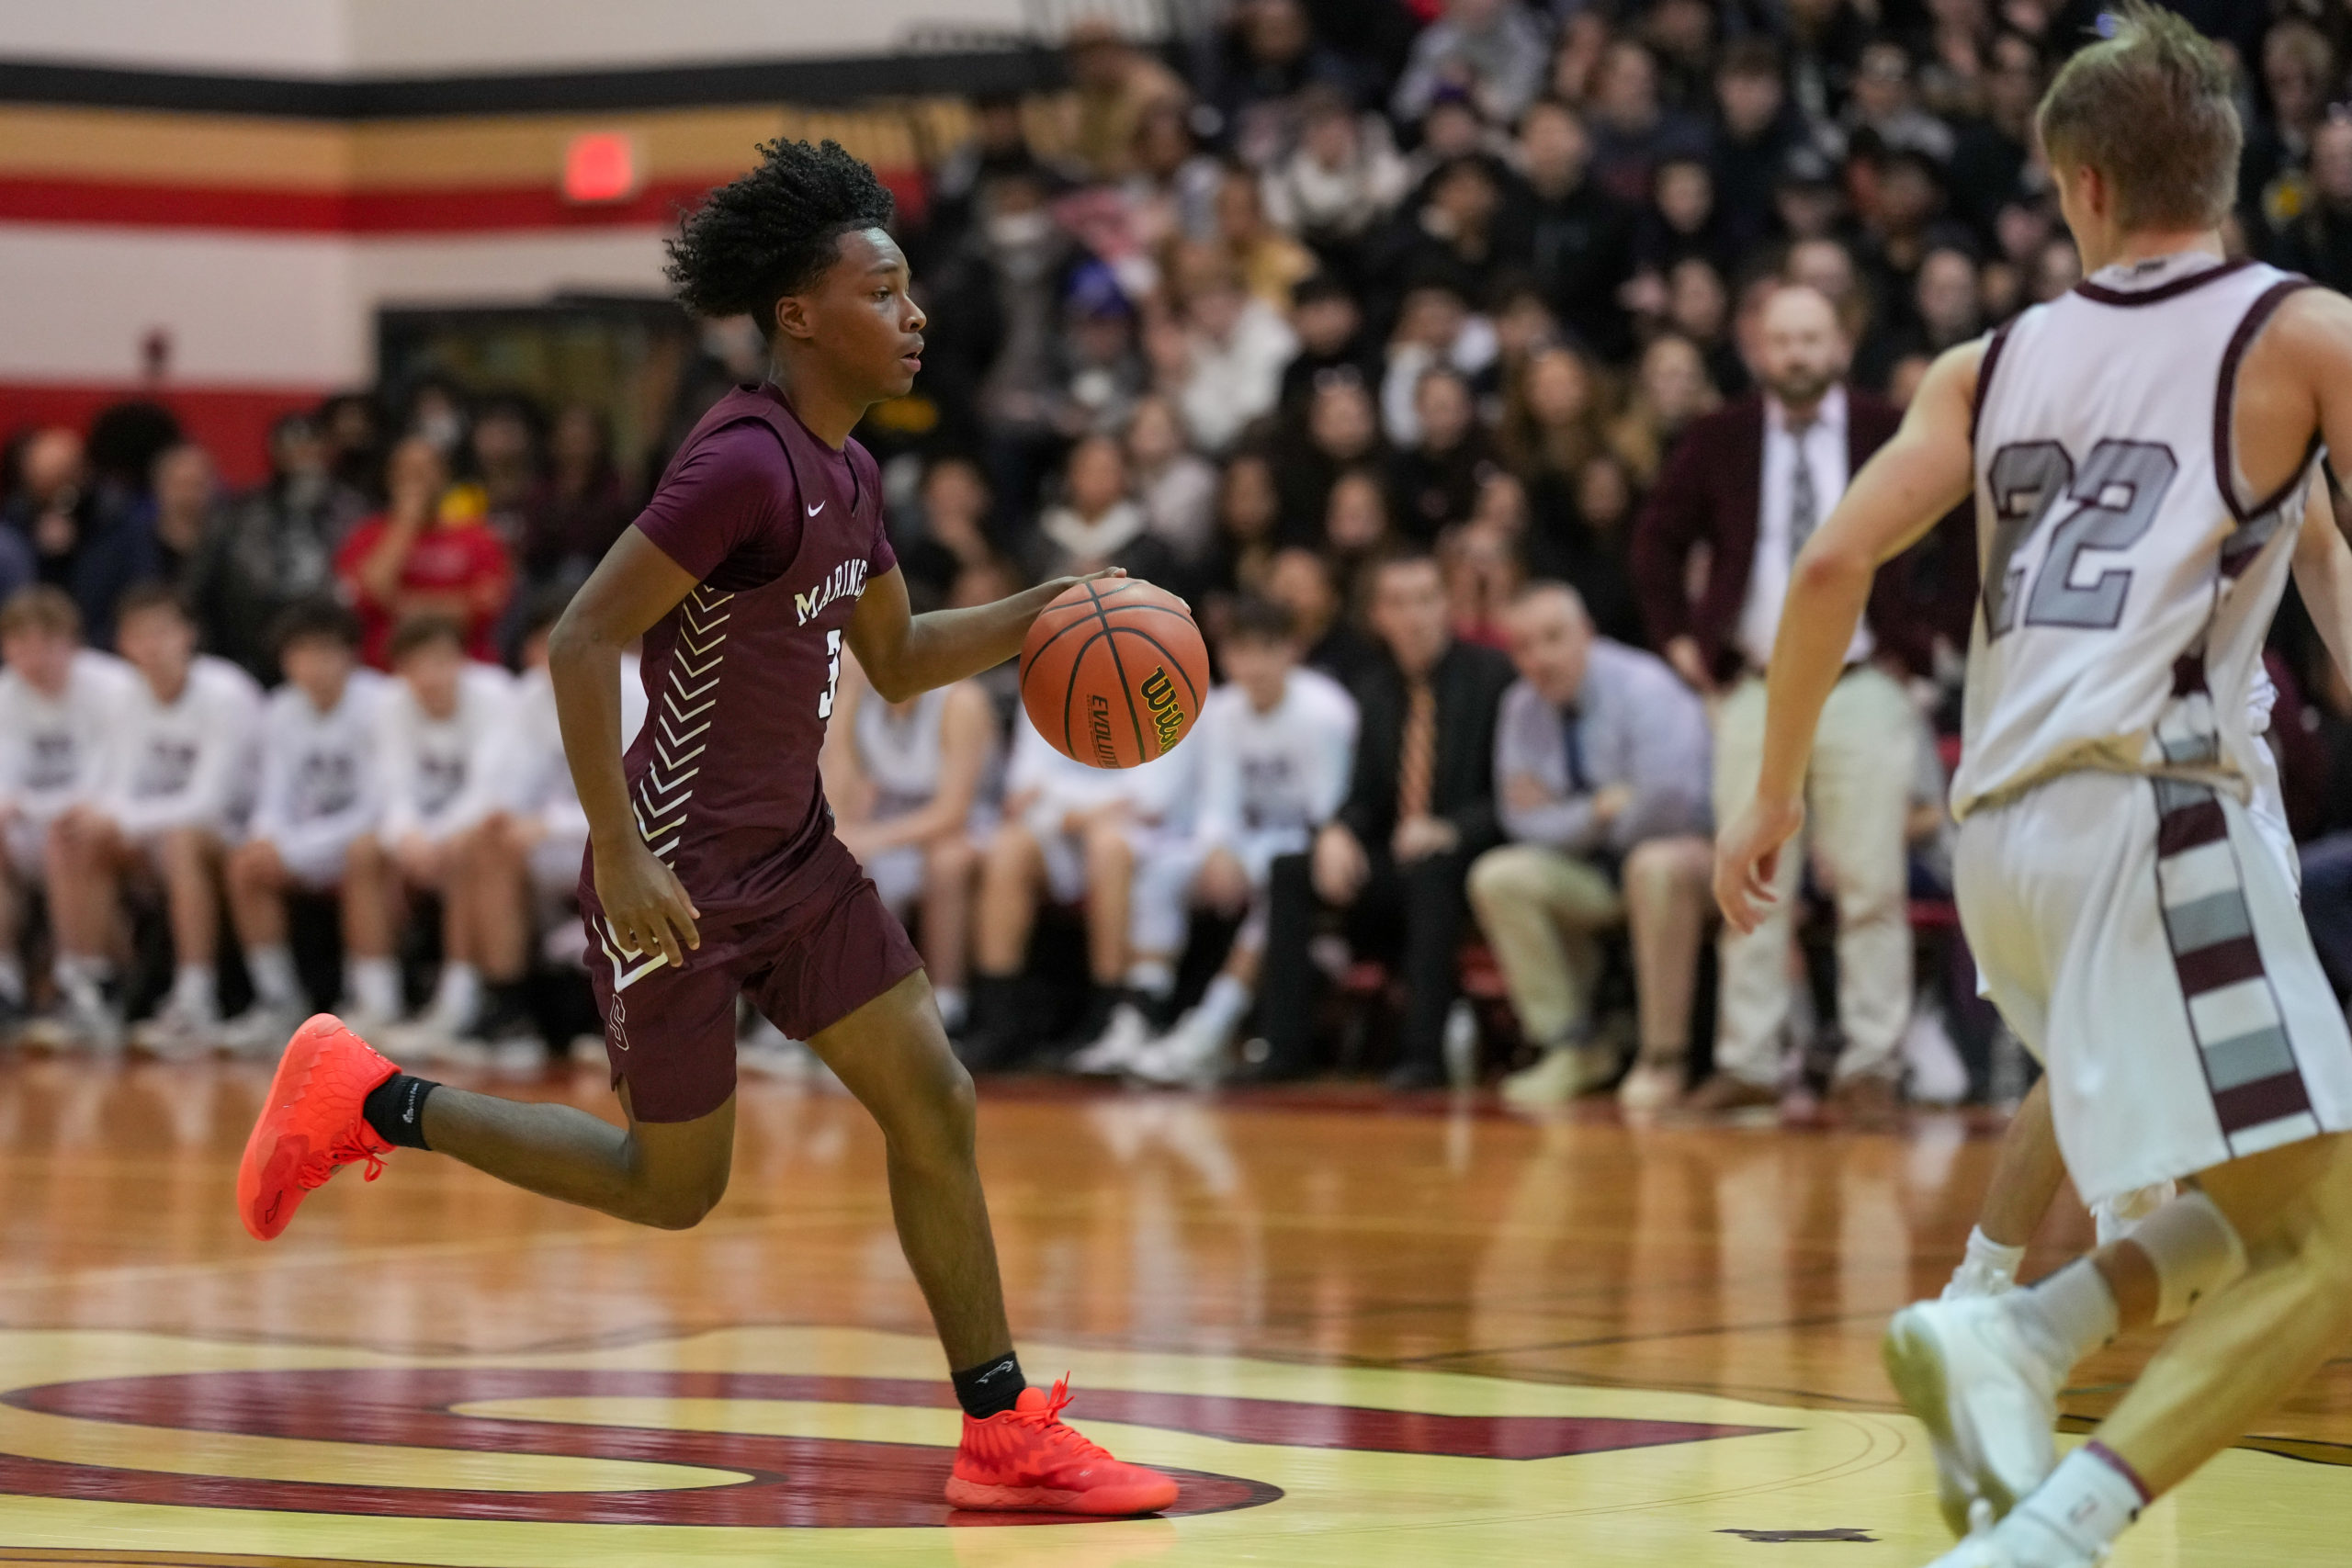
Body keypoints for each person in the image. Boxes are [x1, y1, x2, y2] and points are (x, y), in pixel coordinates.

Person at [237, 138, 1176, 1517]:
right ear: (802, 313)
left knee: (937, 1098)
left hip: (795, 859)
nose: (915, 315)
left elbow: (902, 656)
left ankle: (1003, 1427)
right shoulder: (742, 459)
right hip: (671, 874)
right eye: (886, 290)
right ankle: (372, 1097)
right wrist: (619, 851)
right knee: (670, 1184)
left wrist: (1053, 608)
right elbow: (578, 639)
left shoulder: (851, 474)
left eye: (913, 291)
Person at [1711, 14, 2352, 1564]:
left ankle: (2023, 1323)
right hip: (2158, 811)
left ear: (2080, 187)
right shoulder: (2306, 329)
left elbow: (1828, 564)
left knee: (2271, 1192)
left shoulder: (1983, 361)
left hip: (2002, 832)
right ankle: (2051, 1527)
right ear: (2231, 164)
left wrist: (1772, 796)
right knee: (2331, 1249)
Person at [1633, 282, 1931, 1123]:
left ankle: (1872, 1063)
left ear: (1841, 343)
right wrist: (1681, 640)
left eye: (1812, 338)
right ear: (1757, 348)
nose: (1797, 354)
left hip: (1866, 683)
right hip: (1757, 684)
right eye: (1782, 339)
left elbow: (1959, 528)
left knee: (1872, 879)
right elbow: (1656, 539)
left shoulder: (1887, 428)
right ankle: (1750, 1061)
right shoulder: (1721, 437)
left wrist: (1925, 639)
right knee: (1748, 879)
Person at [1257, 550, 1514, 1088]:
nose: (1415, 616)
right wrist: (1337, 831)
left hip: (1466, 859)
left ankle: (1422, 1054)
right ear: (1378, 617)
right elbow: (1362, 799)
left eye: (1426, 599)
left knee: (1433, 868)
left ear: (1446, 606)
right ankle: (1284, 1048)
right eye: (1399, 603)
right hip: (1393, 860)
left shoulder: (1494, 678)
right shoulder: (1372, 692)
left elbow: (1514, 796)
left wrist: (1451, 829)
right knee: (1289, 868)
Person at [1469, 582, 1713, 1112]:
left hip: (1690, 860)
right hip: (1596, 867)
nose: (1539, 659)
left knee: (1653, 865)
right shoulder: (1519, 707)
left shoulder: (1645, 686)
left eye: (1553, 639)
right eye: (1524, 647)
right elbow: (1521, 820)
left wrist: (1572, 814)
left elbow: (1670, 803)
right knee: (1499, 876)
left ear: (1588, 635)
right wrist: (1596, 810)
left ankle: (1663, 1058)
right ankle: (1574, 1046)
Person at [1133, 595, 1357, 1086]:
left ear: (1291, 652)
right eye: (1240, 652)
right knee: (1162, 871)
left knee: (1279, 885)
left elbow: (1330, 814)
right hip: (1248, 841)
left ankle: (1210, 1027)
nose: (1251, 665)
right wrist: (1217, 849)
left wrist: (1242, 854)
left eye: (1265, 650)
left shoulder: (1325, 712)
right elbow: (1219, 800)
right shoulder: (1220, 710)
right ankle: (1140, 1014)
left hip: (1304, 848)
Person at [44, 583, 263, 1053]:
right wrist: (96, 818)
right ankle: (88, 987)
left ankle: (195, 999)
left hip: (239, 835)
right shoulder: (127, 697)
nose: (153, 646)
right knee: (72, 833)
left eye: (163, 632)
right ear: (123, 644)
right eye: (140, 635)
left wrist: (120, 822)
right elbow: (115, 787)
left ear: (189, 635)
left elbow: (211, 802)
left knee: (179, 839)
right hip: (158, 833)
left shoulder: (226, 692)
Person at [962, 702, 1196, 1075]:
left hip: (1147, 840)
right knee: (1007, 849)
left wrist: (1063, 806)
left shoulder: (1165, 685)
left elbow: (1151, 801)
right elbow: (1021, 792)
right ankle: (999, 1020)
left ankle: (1106, 1015)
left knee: (1106, 847)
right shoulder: (1047, 677)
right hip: (1061, 828)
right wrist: (1074, 814)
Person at [216, 600, 397, 1054]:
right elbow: (272, 799)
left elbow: (379, 807)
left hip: (371, 845)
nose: (312, 666)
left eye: (324, 652)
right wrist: (265, 840)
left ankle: (377, 1003)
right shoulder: (280, 709)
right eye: (300, 654)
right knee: (245, 863)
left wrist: (294, 850)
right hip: (309, 847)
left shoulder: (382, 703)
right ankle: (277, 1003)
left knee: (364, 852)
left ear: (349, 655)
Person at [369, 615, 531, 1061]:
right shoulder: (390, 704)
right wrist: (409, 839)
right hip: (436, 840)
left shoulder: (495, 694)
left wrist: (435, 841)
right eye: (416, 664)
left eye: (440, 661)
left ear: (461, 660)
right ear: (400, 670)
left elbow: (491, 787)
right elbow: (391, 788)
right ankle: (376, 1002)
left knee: (472, 847)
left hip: (497, 831)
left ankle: (480, 1008)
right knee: (363, 853)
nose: (430, 675)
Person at [824, 655, 998, 1036]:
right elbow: (844, 800)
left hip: (973, 824)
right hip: (896, 824)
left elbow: (953, 812)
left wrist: (872, 838)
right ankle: (856, 1005)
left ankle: (948, 1002)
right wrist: (845, 697)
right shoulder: (862, 700)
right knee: (836, 858)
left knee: (944, 861)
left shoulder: (960, 701)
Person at [0, 587, 136, 1032]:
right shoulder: (6, 694)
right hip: (38, 827)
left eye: (45, 643)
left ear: (71, 643)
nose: (32, 658)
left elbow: (111, 778)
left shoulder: (113, 687)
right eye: (20, 644)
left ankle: (84, 980)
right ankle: (7, 982)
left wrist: (33, 808)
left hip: (112, 826)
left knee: (71, 834)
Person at [335, 435, 514, 669]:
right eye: (405, 470)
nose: (414, 480)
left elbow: (484, 605)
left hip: (465, 669)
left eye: (424, 469)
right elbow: (366, 593)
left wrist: (401, 605)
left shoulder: (479, 537)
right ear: (389, 479)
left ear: (444, 476)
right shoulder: (366, 535)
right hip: (385, 672)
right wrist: (405, 525)